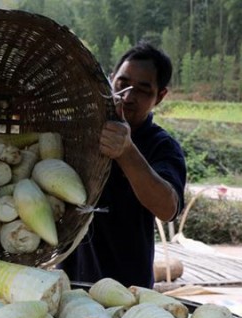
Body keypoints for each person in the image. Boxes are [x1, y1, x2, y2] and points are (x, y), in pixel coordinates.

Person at [60, 43, 187, 289]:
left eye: (143, 89)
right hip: (68, 283)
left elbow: (168, 208)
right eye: (122, 83)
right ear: (110, 80)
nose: (128, 97)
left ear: (160, 96)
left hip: (126, 291)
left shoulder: (162, 146)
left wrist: (127, 152)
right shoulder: (78, 132)